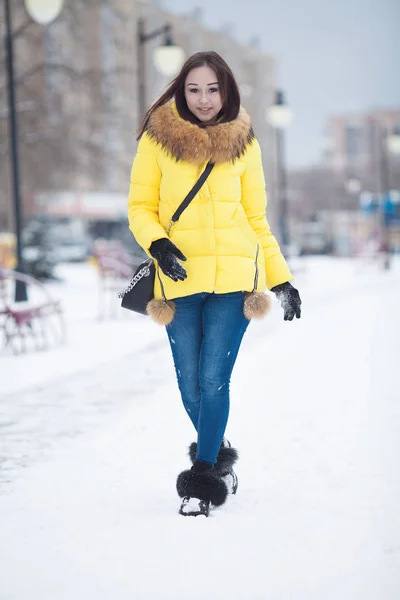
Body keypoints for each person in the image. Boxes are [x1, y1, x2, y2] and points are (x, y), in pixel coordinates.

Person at [128, 51, 302, 517]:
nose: (204, 99)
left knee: (212, 379)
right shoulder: (156, 141)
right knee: (190, 387)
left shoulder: (246, 145)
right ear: (181, 92)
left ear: (226, 91)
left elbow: (256, 220)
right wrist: (158, 244)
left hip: (233, 281)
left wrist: (281, 279)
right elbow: (140, 208)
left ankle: (202, 480)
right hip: (179, 280)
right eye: (194, 89)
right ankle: (217, 447)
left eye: (212, 89)